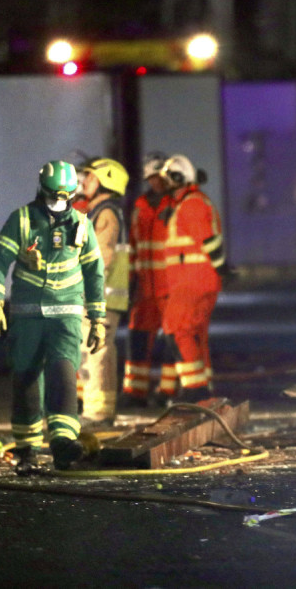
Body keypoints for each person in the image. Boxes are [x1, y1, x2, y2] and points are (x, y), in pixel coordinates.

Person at [0, 160, 106, 473]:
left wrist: (97, 317)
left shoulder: (81, 223)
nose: (58, 202)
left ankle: (64, 442)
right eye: (53, 195)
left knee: (63, 374)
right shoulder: (22, 220)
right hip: (28, 316)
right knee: (25, 379)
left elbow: (94, 271)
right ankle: (27, 449)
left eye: (64, 196)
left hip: (66, 315)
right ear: (42, 190)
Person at [160, 153, 225, 403]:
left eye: (169, 181)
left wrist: (222, 268)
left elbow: (207, 241)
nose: (166, 187)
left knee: (177, 329)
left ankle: (195, 388)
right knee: (195, 334)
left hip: (193, 281)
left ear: (179, 179)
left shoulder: (192, 204)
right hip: (195, 280)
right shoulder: (191, 203)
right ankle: (203, 388)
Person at [76, 157, 130, 424]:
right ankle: (99, 410)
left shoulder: (105, 213)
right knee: (96, 351)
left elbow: (101, 257)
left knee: (95, 351)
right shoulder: (98, 211)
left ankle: (97, 413)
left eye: (90, 177)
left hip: (100, 297)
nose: (84, 181)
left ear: (105, 182)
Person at [120, 153, 175, 407]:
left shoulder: (175, 203)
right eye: (152, 178)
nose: (155, 183)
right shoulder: (141, 205)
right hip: (144, 287)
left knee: (172, 340)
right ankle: (135, 391)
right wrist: (128, 280)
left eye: (159, 178)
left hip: (169, 285)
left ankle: (167, 391)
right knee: (138, 338)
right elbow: (133, 243)